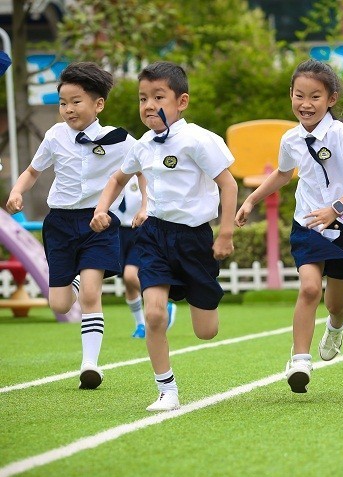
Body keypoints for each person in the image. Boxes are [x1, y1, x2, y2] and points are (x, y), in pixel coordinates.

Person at [235, 59, 343, 394]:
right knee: (310, 288)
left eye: (314, 97)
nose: (305, 104)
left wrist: (335, 209)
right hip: (308, 223)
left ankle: (336, 327)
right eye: (299, 96)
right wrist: (251, 200)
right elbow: (283, 174)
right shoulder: (291, 139)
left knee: (336, 302)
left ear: (331, 99)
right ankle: (299, 361)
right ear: (291, 96)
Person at [91, 61, 238, 411]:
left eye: (158, 97)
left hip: (195, 239)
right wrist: (101, 209)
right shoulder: (142, 145)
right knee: (153, 316)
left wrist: (225, 233)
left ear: (181, 102)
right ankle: (166, 389)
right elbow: (116, 179)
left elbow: (228, 184)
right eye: (142, 98)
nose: (147, 105)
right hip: (154, 235)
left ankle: (182, 294)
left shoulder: (199, 140)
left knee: (206, 331)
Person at [5, 61, 137, 390]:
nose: (68, 109)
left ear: (98, 104)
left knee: (92, 295)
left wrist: (146, 204)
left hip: (98, 219)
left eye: (76, 101)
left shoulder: (119, 139)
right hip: (60, 223)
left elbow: (145, 166)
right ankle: (75, 282)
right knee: (60, 305)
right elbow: (33, 171)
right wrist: (17, 191)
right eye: (63, 103)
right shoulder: (54, 136)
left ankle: (90, 365)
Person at [114, 178, 177, 338]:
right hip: (117, 232)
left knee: (130, 274)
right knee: (127, 282)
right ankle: (140, 324)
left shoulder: (143, 176)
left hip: (139, 230)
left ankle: (161, 304)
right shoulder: (114, 174)